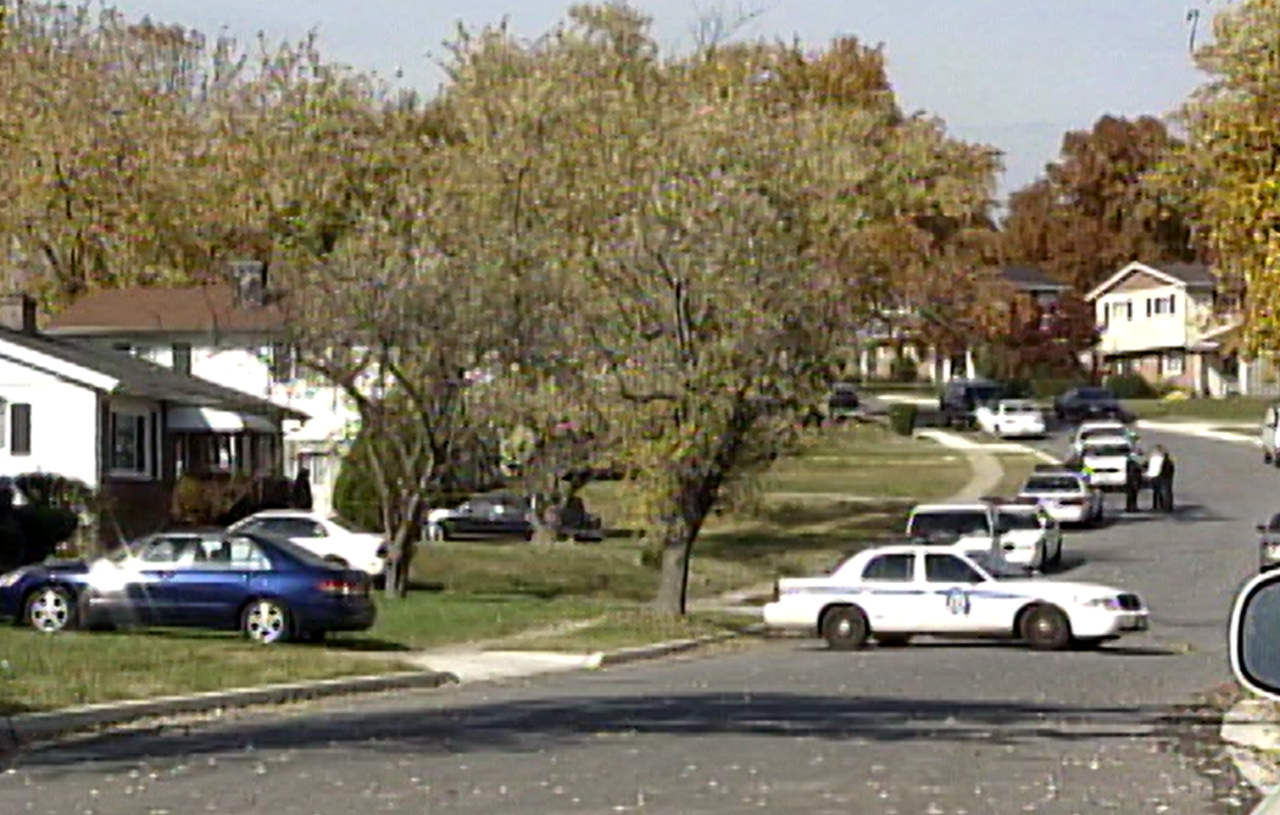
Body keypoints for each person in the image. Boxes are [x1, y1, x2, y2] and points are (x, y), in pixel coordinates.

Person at [1146, 445, 1167, 511]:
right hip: (1159, 476)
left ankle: (1156, 505)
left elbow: (1147, 465)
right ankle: (1161, 505)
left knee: (1156, 492)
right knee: (1160, 491)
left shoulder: (1153, 458)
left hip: (1153, 476)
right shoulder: (1162, 458)